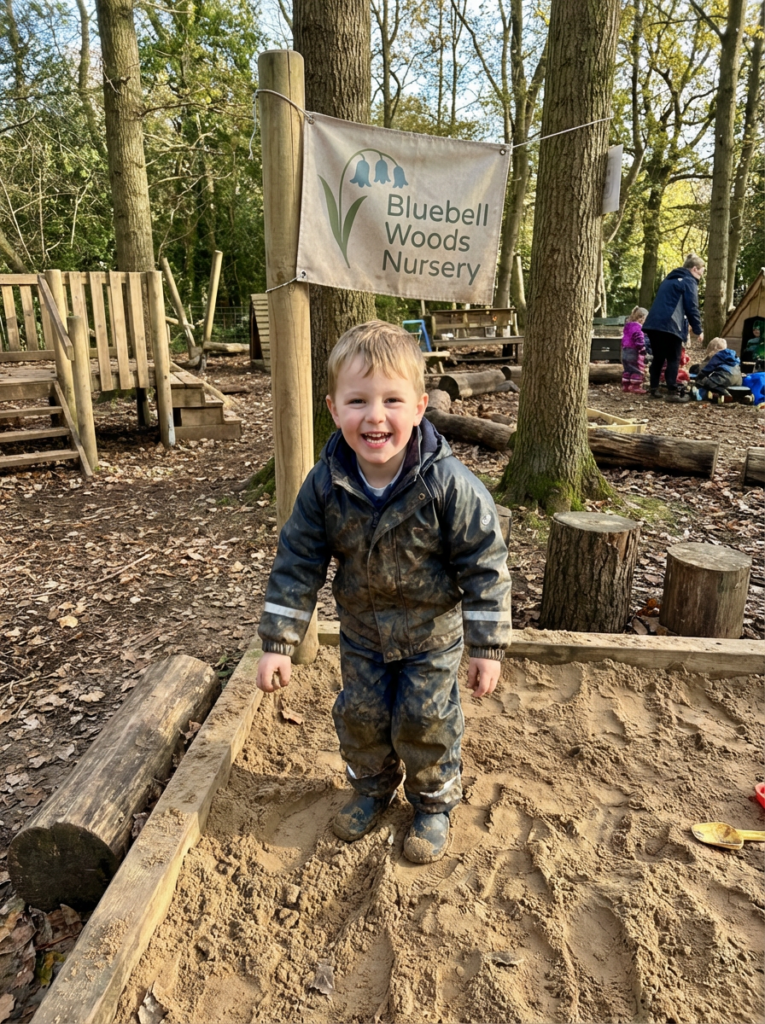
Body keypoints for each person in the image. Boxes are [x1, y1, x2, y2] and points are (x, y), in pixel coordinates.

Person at [255, 321, 512, 864]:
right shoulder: (325, 485)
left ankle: (432, 802)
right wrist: (278, 640)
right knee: (362, 717)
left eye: (391, 400)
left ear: (420, 407)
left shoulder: (448, 485)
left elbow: (484, 564)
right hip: (363, 635)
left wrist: (487, 647)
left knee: (425, 719)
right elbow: (298, 561)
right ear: (333, 409)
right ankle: (370, 789)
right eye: (358, 400)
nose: (375, 416)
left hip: (430, 637)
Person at [643, 254, 705, 403]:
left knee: (658, 357)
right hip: (670, 324)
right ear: (695, 269)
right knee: (673, 357)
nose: (702, 275)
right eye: (702, 271)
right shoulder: (689, 281)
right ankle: (672, 391)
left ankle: (654, 388)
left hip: (653, 324)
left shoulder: (668, 280)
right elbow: (692, 307)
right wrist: (698, 329)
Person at [621, 306, 649, 393]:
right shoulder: (638, 327)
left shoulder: (628, 325)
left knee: (627, 369)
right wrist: (642, 349)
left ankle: (626, 386)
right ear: (642, 318)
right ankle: (635, 386)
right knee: (636, 369)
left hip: (625, 350)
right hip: (633, 351)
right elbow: (639, 339)